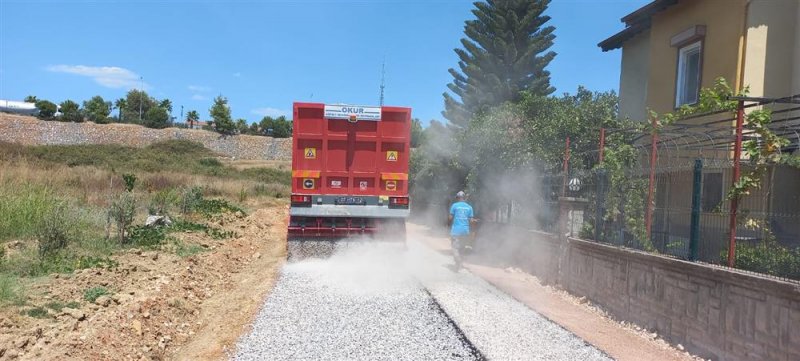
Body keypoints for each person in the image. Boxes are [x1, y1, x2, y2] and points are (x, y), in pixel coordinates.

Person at [449, 191, 474, 269]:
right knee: (462, 248)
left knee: (455, 248)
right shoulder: (469, 207)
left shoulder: (454, 206)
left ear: (457, 198)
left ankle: (458, 260)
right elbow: (471, 220)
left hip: (456, 230)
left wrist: (448, 224)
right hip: (465, 231)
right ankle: (459, 264)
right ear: (464, 198)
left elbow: (450, 218)